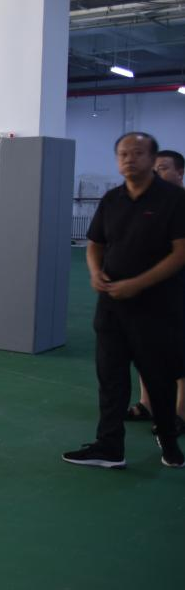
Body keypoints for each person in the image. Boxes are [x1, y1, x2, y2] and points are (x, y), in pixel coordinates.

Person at [64, 132, 185, 470]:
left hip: (157, 308)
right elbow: (95, 243)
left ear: (152, 159)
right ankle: (109, 447)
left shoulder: (174, 200)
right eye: (123, 154)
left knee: (159, 379)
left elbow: (181, 253)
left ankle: (169, 441)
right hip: (112, 308)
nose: (129, 159)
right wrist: (95, 272)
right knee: (111, 380)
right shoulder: (112, 199)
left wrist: (137, 284)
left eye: (138, 153)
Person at [128, 148, 185, 432]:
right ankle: (147, 403)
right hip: (149, 289)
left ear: (180, 173)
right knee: (145, 347)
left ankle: (180, 413)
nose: (156, 173)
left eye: (163, 168)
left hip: (179, 290)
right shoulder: (147, 205)